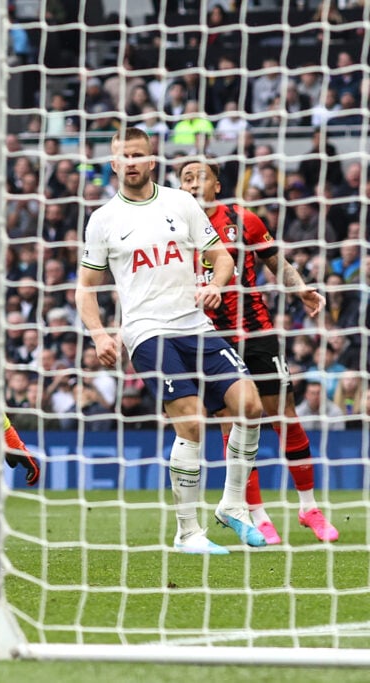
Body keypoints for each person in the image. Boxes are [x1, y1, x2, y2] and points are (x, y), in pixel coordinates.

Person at [75, 128, 266, 555]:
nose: (132, 162)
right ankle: (188, 532)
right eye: (124, 156)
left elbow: (223, 256)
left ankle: (233, 505)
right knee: (193, 419)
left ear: (152, 160)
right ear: (113, 164)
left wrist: (216, 284)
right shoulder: (103, 218)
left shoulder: (182, 203)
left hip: (195, 324)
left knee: (250, 406)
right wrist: (99, 333)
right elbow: (85, 287)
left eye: (139, 154)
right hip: (145, 330)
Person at [180, 158, 338, 544]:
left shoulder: (242, 218)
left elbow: (274, 261)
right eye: (185, 178)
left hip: (256, 331)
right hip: (209, 337)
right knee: (234, 423)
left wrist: (299, 287)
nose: (192, 183)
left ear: (217, 185)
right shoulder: (173, 229)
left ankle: (309, 507)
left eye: (200, 176)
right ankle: (257, 514)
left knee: (284, 416)